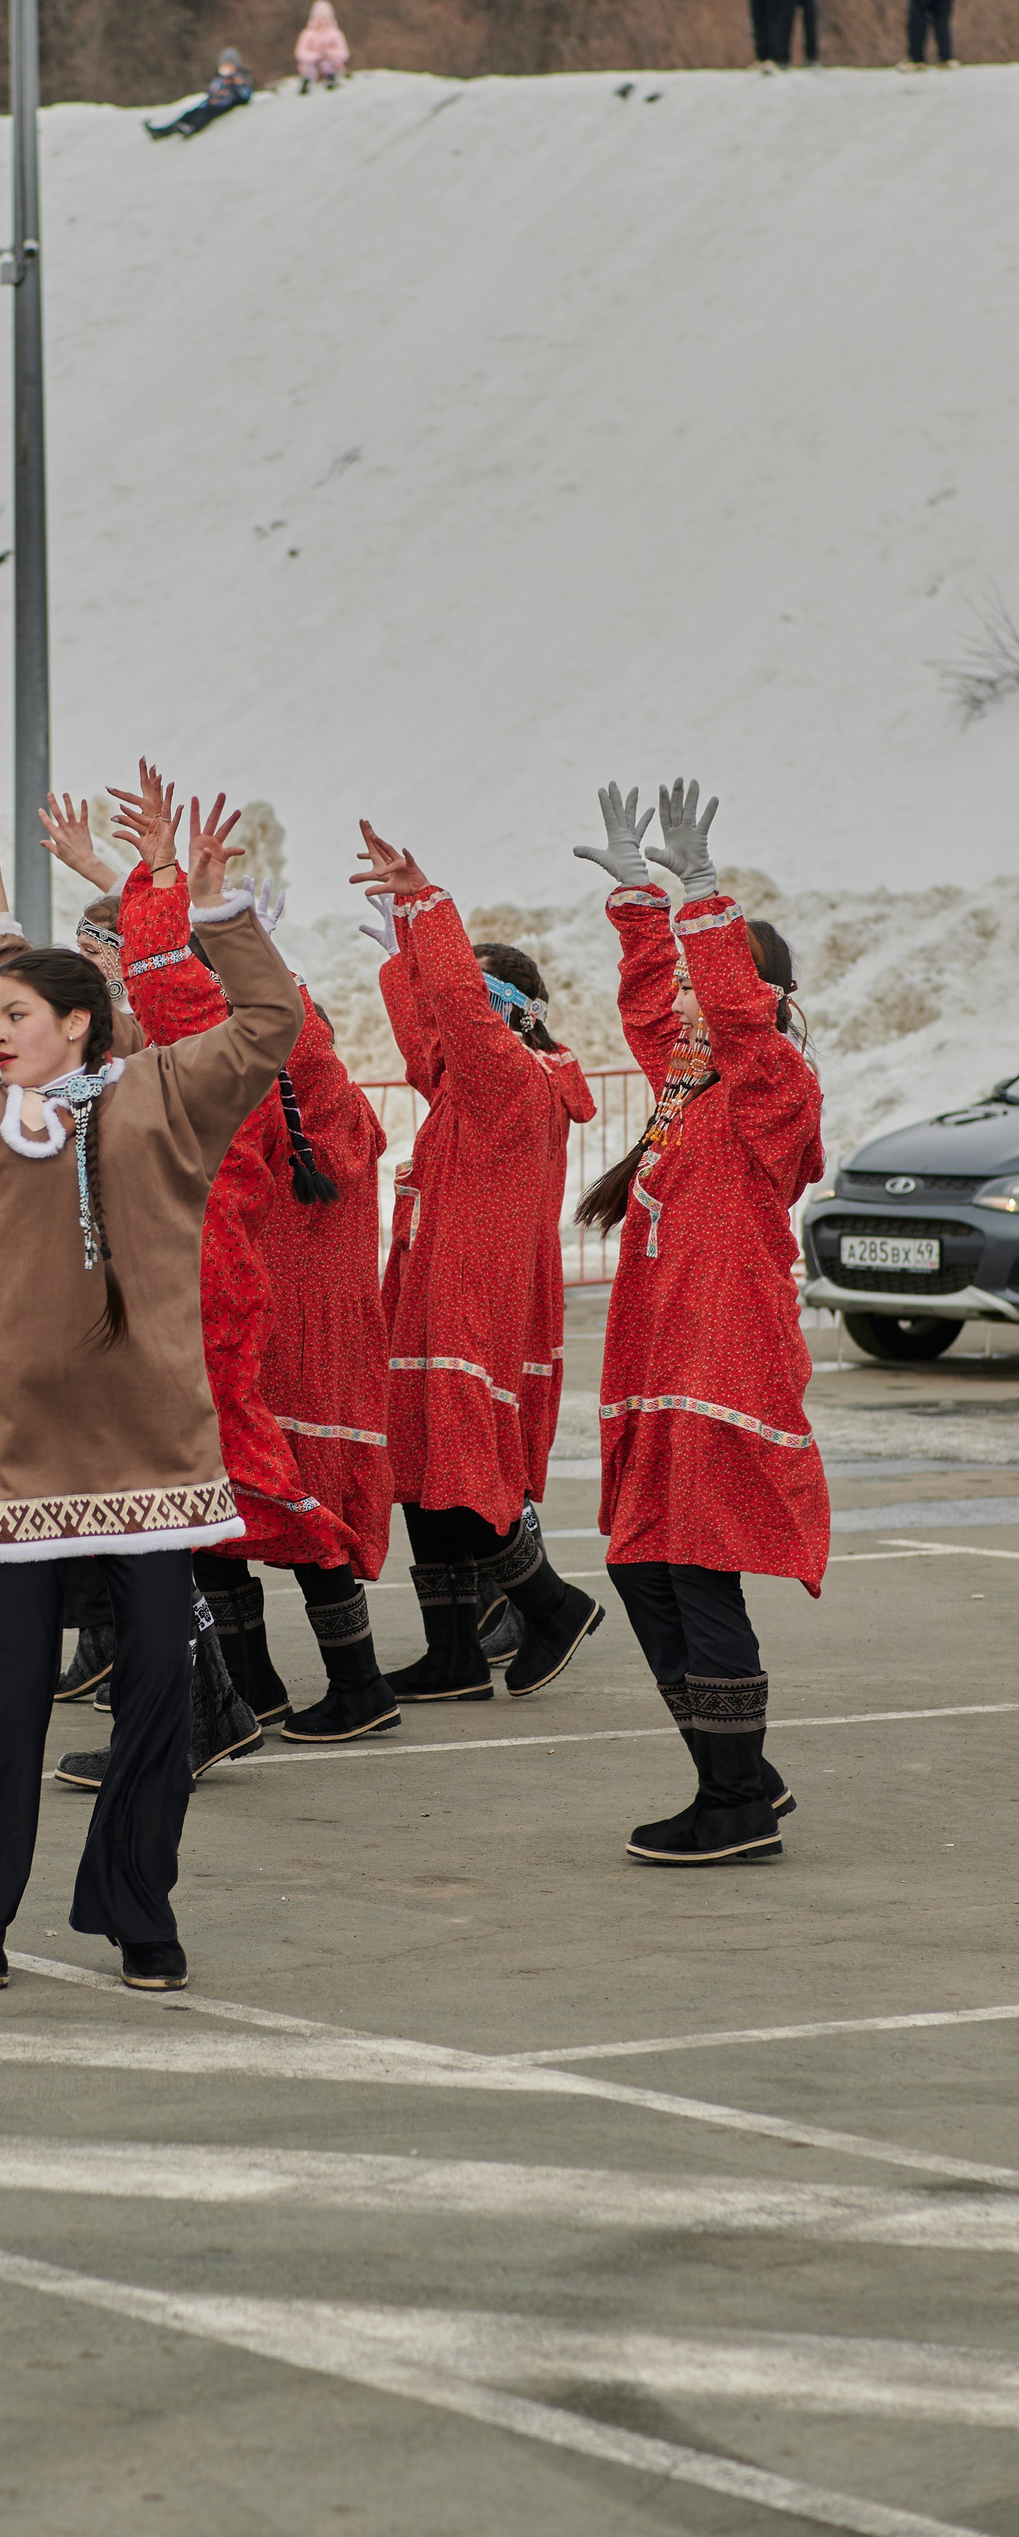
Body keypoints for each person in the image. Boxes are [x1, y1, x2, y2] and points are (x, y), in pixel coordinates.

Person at [0, 794, 303, 1995]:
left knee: (158, 1691)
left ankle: (138, 1908)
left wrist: (211, 910)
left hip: (151, 1454)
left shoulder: (163, 1096)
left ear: (79, 1024)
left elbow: (269, 1020)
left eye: (17, 1016)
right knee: (8, 1693)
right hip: (19, 1460)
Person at [0, 785, 262, 1787]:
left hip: (171, 1297)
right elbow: (14, 981)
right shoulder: (89, 1054)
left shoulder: (152, 1056)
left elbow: (188, 993)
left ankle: (198, 1710)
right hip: (120, 1306)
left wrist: (167, 879)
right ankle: (206, 1698)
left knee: (153, 1523)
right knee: (133, 1532)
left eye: (105, 952)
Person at [104, 764, 395, 1747]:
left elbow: (162, 980)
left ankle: (321, 1687)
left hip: (238, 1311)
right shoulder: (252, 1067)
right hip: (243, 1307)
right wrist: (173, 892)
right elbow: (161, 980)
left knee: (252, 1494)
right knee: (227, 1500)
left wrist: (169, 886)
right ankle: (251, 1688)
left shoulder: (230, 1068)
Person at [572, 785, 825, 1866]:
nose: (681, 1001)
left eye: (700, 984)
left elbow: (735, 1017)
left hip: (725, 1358)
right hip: (665, 1356)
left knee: (693, 1564)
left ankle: (731, 1806)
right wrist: (639, 900)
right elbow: (649, 1012)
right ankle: (744, 1776)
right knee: (643, 1564)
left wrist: (704, 896)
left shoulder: (774, 1087)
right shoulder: (692, 1088)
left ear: (750, 998)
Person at [354, 824, 603, 1701]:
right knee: (420, 1462)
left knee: (459, 1470)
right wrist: (404, 962)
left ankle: (552, 1606)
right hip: (440, 1286)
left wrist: (428, 910)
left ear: (506, 1013)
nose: (442, 1009)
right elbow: (430, 1042)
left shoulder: (511, 1081)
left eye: (455, 994)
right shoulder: (473, 1083)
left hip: (470, 1292)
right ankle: (453, 1651)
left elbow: (457, 1011)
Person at [146, 49, 253, 141]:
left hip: (225, 103)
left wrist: (234, 87)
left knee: (206, 113)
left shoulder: (240, 78)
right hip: (213, 102)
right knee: (190, 113)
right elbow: (211, 90)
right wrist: (215, 95)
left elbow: (245, 94)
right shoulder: (220, 79)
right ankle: (165, 131)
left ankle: (193, 127)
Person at [294, 0, 350, 91]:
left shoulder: (335, 33)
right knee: (310, 69)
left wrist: (328, 53)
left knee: (326, 64)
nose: (322, 22)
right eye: (319, 18)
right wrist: (316, 56)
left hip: (332, 64)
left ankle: (331, 78)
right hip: (312, 65)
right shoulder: (308, 34)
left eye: (325, 18)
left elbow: (343, 52)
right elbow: (300, 52)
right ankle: (307, 82)